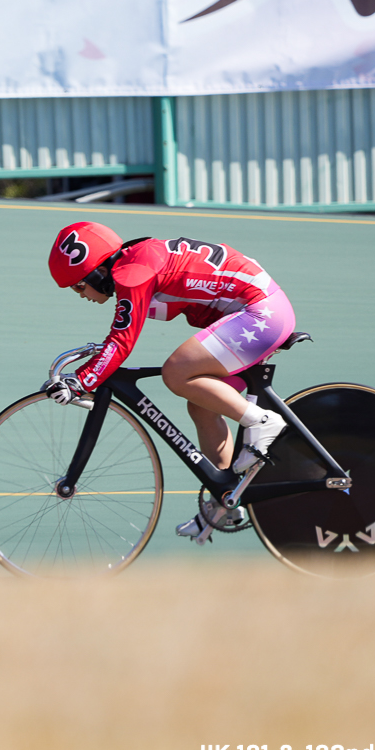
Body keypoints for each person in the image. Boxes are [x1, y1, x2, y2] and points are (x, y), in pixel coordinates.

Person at [44, 221, 293, 542]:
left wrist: (80, 381)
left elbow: (121, 341)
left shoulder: (132, 271)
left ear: (96, 273)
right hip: (256, 310)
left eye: (79, 286)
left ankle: (262, 421)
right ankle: (225, 502)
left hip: (260, 312)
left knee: (175, 372)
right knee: (202, 405)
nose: (81, 295)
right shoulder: (134, 261)